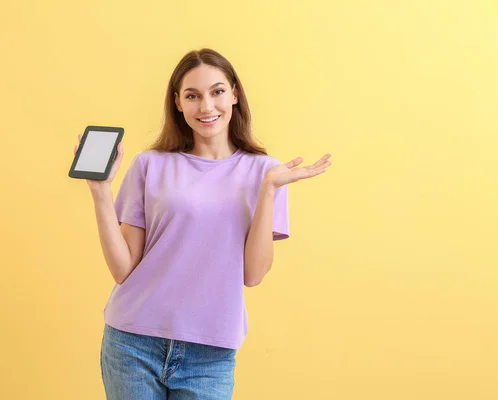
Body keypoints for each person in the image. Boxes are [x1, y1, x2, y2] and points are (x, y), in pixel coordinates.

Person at [73, 48, 332, 400]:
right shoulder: (150, 164)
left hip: (210, 353)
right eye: (192, 96)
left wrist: (269, 190)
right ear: (178, 103)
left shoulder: (267, 173)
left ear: (235, 94)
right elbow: (122, 270)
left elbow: (253, 275)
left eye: (217, 91)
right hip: (132, 341)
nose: (206, 106)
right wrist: (100, 191)